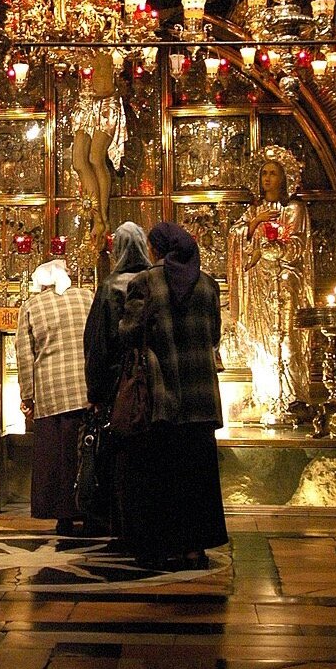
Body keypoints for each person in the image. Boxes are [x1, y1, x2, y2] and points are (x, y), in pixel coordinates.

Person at [119, 221, 228, 570]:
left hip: (163, 394)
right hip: (200, 397)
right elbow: (214, 335)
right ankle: (195, 548)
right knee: (198, 476)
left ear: (159, 249)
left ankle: (159, 545)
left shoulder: (146, 283)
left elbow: (129, 332)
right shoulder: (208, 285)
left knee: (161, 473)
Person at [227, 145, 315, 418]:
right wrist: (255, 224)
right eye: (264, 173)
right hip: (258, 284)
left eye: (273, 173)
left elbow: (297, 245)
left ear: (283, 178)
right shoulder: (254, 210)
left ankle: (291, 396)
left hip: (285, 282)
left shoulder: (294, 209)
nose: (267, 178)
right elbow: (235, 237)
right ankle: (266, 395)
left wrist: (272, 246)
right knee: (261, 339)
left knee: (287, 338)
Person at [15, 259, 94, 536]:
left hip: (52, 392)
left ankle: (64, 516)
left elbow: (25, 355)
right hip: (86, 389)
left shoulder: (31, 306)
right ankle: (92, 509)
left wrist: (28, 395)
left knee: (60, 458)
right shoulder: (87, 296)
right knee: (87, 453)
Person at [83, 221, 152, 541]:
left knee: (118, 457)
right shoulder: (154, 281)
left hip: (117, 385)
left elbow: (97, 343)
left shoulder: (110, 287)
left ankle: (118, 524)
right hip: (151, 381)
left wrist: (95, 391)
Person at [71, 50, 127, 246]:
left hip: (106, 102)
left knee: (95, 158)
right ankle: (97, 216)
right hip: (85, 102)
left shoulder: (108, 40)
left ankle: (101, 217)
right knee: (78, 162)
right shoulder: (76, 41)